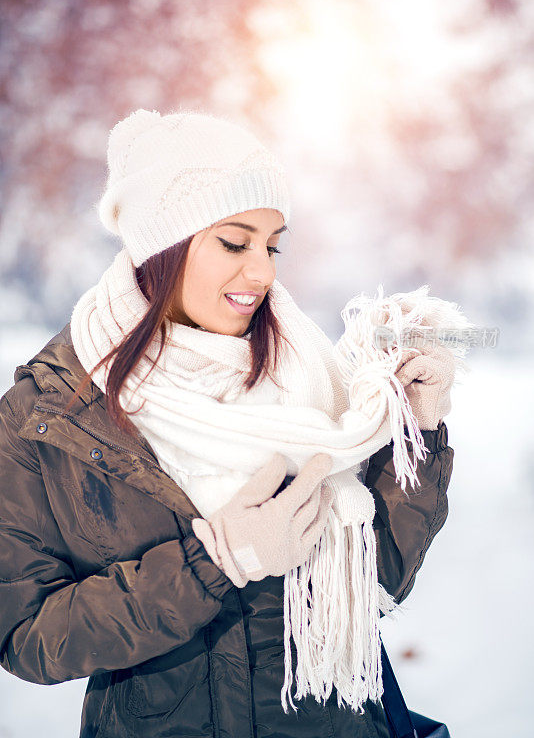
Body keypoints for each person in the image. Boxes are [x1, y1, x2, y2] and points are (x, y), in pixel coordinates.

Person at [0, 109, 455, 738]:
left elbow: (379, 578)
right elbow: (28, 637)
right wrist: (213, 560)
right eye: (234, 243)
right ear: (162, 246)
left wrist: (414, 434)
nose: (263, 272)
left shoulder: (308, 379)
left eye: (272, 246)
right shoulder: (51, 415)